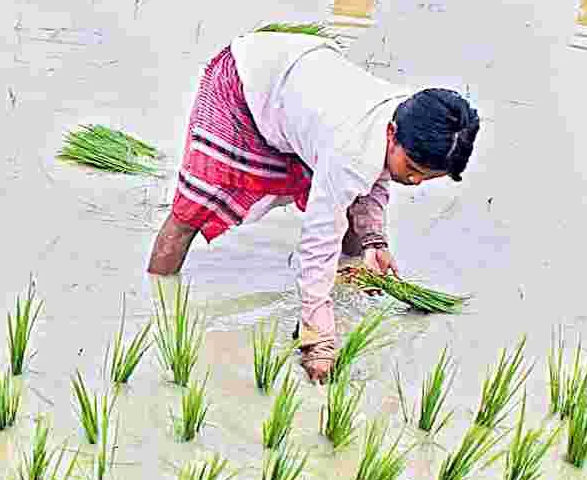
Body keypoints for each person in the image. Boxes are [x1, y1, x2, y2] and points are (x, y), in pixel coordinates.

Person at [147, 28, 479, 384]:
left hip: (301, 88)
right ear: (391, 133)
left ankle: (349, 281)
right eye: (412, 170)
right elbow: (318, 243)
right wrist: (317, 337)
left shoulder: (412, 118)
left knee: (352, 205)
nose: (415, 182)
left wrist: (373, 241)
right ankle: (156, 303)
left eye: (429, 177)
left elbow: (374, 182)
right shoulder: (350, 150)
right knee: (193, 208)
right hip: (245, 84)